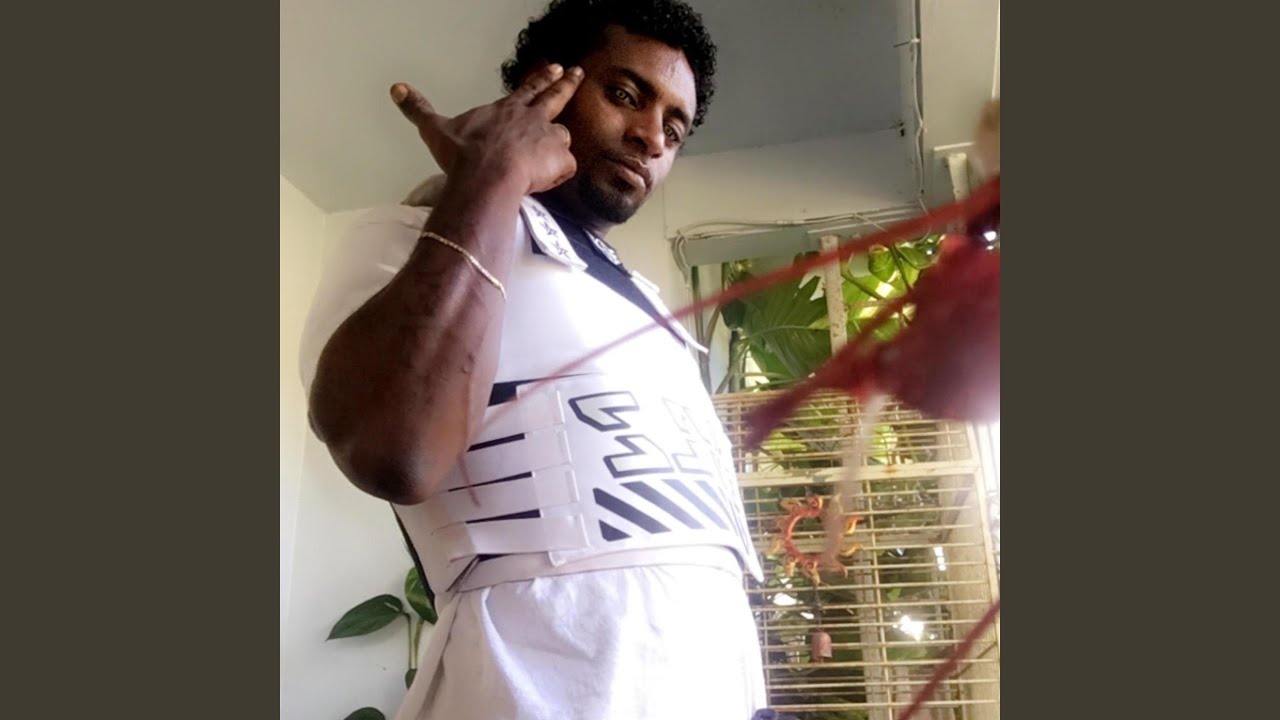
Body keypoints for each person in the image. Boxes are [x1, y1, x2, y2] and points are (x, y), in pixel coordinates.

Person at [300, 1, 775, 718]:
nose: (652, 137)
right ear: (544, 86)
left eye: (675, 129)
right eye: (626, 94)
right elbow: (392, 449)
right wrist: (492, 175)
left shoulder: (657, 314)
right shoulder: (408, 240)